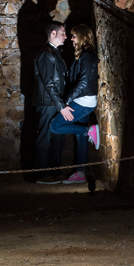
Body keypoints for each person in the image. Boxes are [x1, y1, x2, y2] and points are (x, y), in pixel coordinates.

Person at [45, 24, 101, 185]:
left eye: (74, 36)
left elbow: (83, 82)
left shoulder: (88, 55)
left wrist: (66, 101)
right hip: (83, 100)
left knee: (55, 126)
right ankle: (81, 172)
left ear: (83, 36)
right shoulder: (83, 55)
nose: (71, 39)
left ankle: (89, 130)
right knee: (80, 136)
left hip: (83, 101)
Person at [31, 22, 68, 181]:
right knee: (45, 138)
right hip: (47, 103)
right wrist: (61, 106)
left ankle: (55, 170)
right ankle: (42, 173)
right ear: (53, 33)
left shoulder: (54, 53)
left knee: (57, 137)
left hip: (54, 103)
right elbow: (48, 82)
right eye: (63, 33)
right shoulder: (46, 54)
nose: (65, 36)